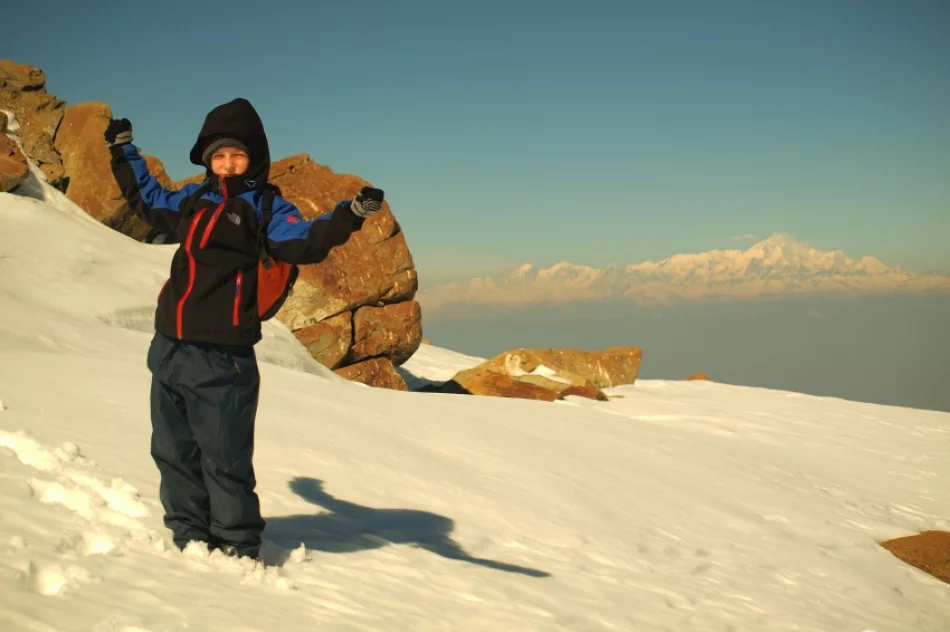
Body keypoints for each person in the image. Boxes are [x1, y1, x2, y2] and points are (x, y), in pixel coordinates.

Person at [104, 98, 383, 561]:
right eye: (218, 155)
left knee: (224, 460)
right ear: (207, 159)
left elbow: (304, 242)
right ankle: (189, 538)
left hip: (223, 356)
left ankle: (236, 547)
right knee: (173, 452)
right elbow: (148, 199)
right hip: (170, 346)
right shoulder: (195, 200)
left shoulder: (267, 208)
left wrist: (349, 214)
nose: (228, 164)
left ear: (254, 157)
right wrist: (123, 150)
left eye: (237, 155)